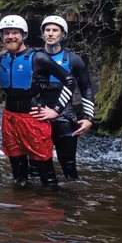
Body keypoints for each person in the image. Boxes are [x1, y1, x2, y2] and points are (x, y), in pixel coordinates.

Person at [0, 15, 78, 186]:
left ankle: (51, 200)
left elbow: (70, 81)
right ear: (1, 36)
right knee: (18, 175)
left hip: (33, 119)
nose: (10, 36)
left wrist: (56, 110)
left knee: (45, 173)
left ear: (23, 35)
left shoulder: (38, 57)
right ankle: (20, 200)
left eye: (15, 33)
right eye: (6, 33)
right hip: (10, 118)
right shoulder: (1, 57)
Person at [39, 15, 95, 179]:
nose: (50, 33)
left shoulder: (73, 59)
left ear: (62, 34)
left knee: (68, 165)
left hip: (64, 116)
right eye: (47, 30)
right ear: (43, 33)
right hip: (39, 115)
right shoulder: (34, 56)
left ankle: (72, 193)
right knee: (35, 165)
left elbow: (86, 88)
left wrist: (89, 118)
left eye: (55, 30)